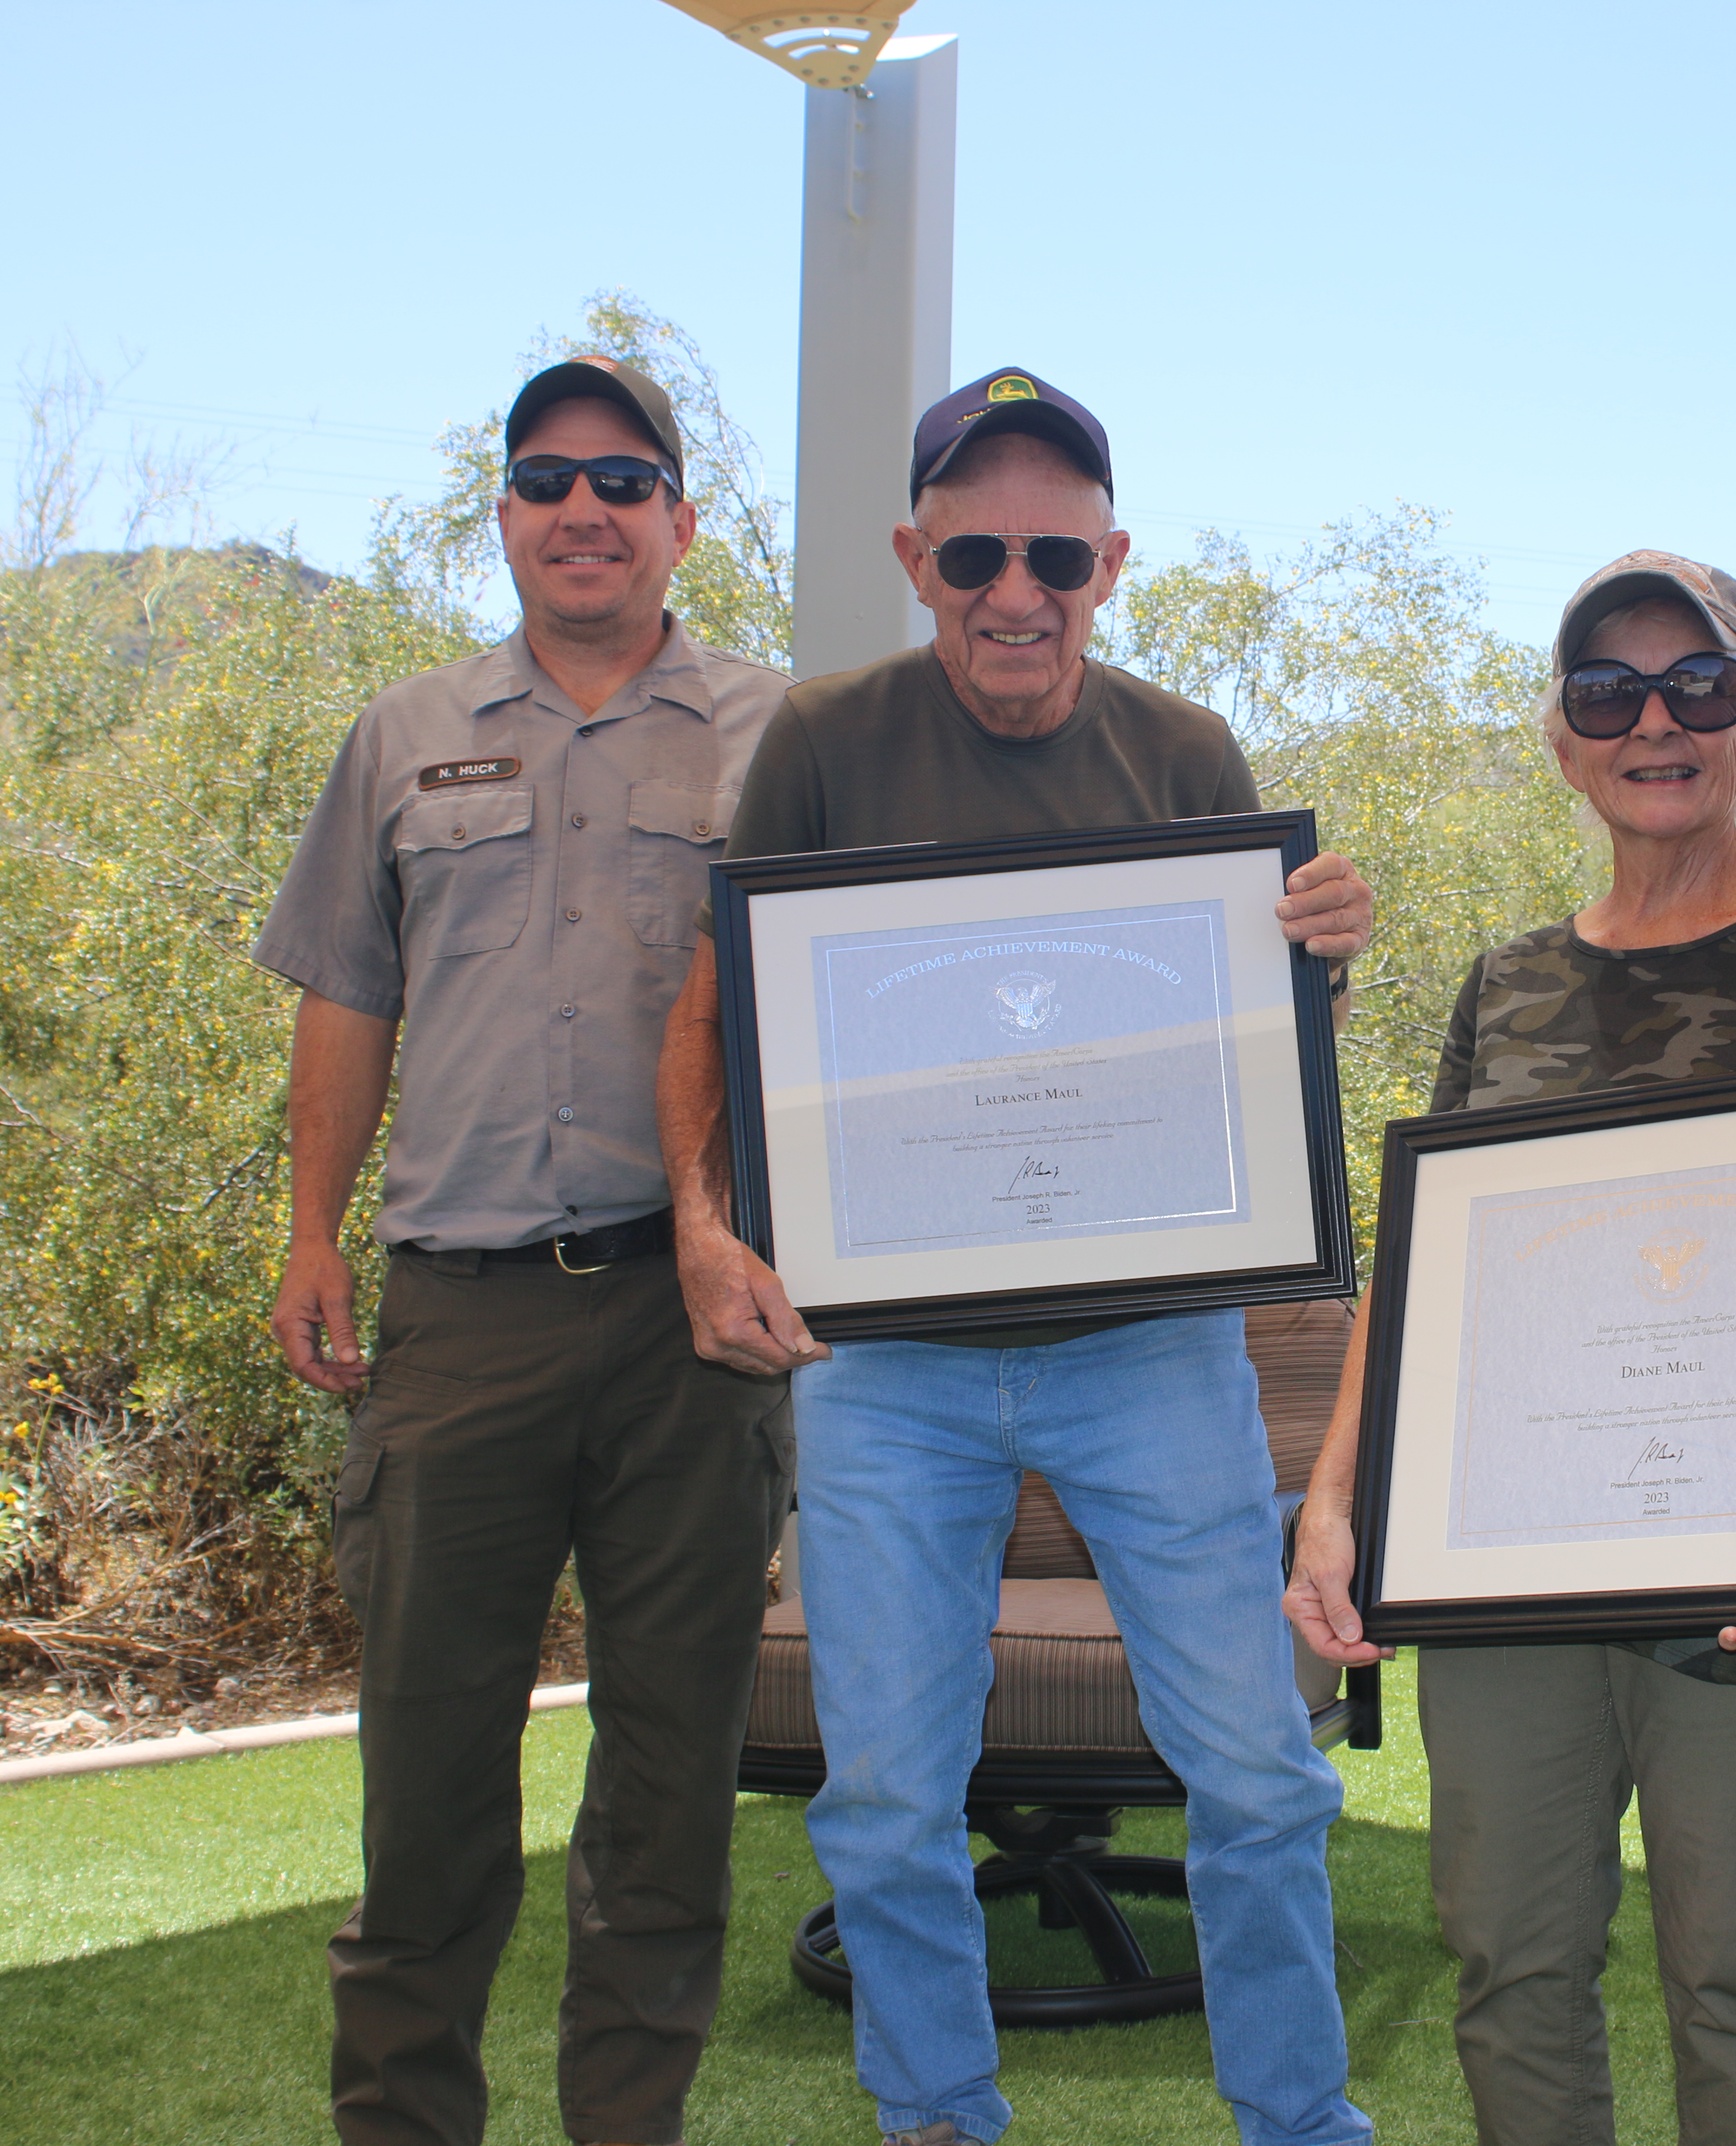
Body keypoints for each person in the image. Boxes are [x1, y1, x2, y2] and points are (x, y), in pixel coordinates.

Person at [654, 366, 1377, 2146]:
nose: (1015, 588)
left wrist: (1316, 961)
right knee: (888, 1800)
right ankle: (935, 2120)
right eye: (973, 549)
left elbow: (1231, 1036)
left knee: (1259, 1778)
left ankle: (1301, 2122)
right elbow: (721, 1003)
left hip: (1151, 1353)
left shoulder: (1187, 751)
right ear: (918, 555)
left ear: (1111, 561)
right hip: (887, 1369)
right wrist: (698, 1220)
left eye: (1054, 551)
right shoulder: (823, 741)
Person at [1287, 550, 1736, 2146]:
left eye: (1697, 686)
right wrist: (1338, 1500)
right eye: (1608, 692)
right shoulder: (1507, 982)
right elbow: (1428, 1261)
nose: (1656, 721)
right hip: (1510, 1566)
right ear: (1564, 743)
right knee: (1508, 1959)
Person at [257, 356, 795, 2146]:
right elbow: (348, 991)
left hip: (690, 1329)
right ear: (503, 515)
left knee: (667, 1790)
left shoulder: (775, 734)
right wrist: (307, 1234)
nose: (586, 511)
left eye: (625, 481)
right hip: (457, 1319)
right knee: (426, 1785)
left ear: (681, 521)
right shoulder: (405, 734)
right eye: (549, 480)